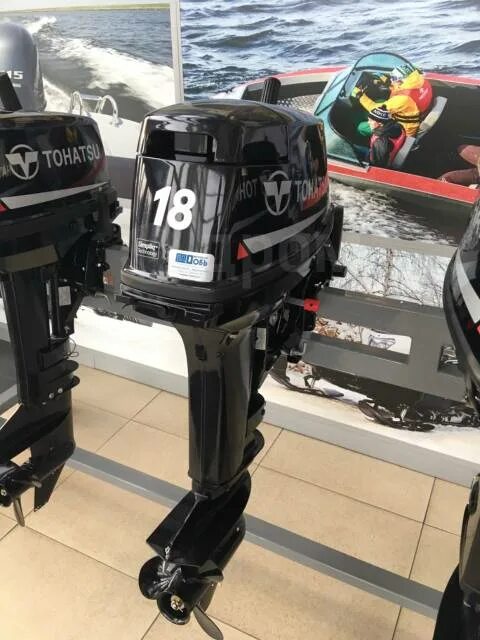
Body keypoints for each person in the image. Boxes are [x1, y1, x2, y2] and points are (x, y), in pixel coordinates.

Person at [352, 67, 433, 137]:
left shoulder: (403, 99)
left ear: (400, 81)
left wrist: (359, 95)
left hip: (403, 130)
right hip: (413, 115)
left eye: (393, 78)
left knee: (361, 127)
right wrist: (388, 84)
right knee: (380, 101)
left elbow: (374, 108)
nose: (391, 80)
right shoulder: (421, 81)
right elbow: (401, 89)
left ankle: (366, 141)